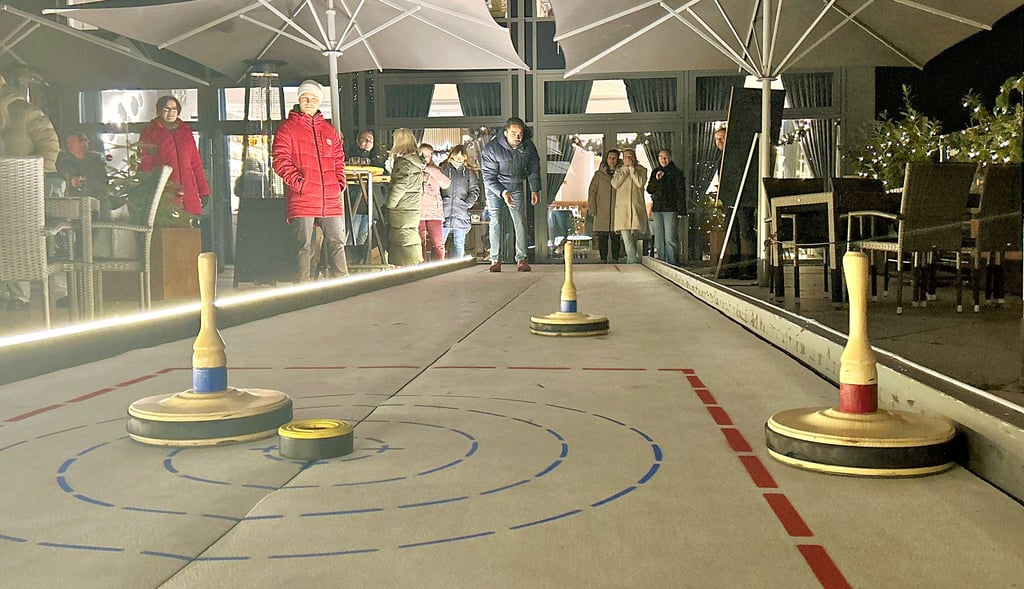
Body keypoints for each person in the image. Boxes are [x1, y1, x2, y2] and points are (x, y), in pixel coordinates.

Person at [0, 68, 67, 310]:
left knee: (43, 234)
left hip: (31, 188)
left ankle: (58, 291)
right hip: (6, 189)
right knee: (9, 239)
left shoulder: (25, 112)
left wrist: (38, 176)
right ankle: (17, 295)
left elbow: (49, 145)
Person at [271, 79, 348, 282]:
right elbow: (280, 161)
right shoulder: (287, 129)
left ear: (319, 101)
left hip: (330, 198)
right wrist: (300, 184)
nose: (309, 101)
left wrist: (339, 183)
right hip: (303, 198)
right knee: (302, 247)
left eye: (313, 98)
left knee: (337, 243)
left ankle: (345, 285)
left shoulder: (329, 130)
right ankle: (303, 290)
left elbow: (339, 159)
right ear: (299, 99)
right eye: (305, 97)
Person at [480, 117, 541, 272]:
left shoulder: (528, 146)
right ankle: (495, 259)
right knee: (496, 220)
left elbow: (534, 168)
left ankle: (521, 258)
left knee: (520, 220)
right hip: (496, 188)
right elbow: (488, 177)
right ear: (506, 133)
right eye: (513, 133)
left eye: (520, 134)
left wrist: (535, 188)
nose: (517, 137)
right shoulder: (491, 149)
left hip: (516, 186)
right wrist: (503, 192)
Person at [138, 94, 210, 222]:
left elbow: (196, 164)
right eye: (166, 109)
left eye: (174, 109)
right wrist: (146, 190)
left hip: (189, 192)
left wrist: (203, 191)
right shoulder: (150, 133)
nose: (171, 112)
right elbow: (146, 164)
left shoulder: (186, 132)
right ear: (159, 111)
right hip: (164, 192)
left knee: (190, 234)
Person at [384, 128, 426, 266]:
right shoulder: (416, 161)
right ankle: (413, 265)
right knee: (409, 236)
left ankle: (405, 268)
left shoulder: (403, 162)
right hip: (412, 206)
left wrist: (390, 204)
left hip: (401, 207)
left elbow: (400, 184)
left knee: (401, 238)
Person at [646, 149, 686, 265]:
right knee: (659, 240)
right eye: (660, 157)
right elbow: (650, 189)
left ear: (670, 157)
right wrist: (657, 180)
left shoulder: (676, 173)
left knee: (670, 239)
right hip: (658, 209)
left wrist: (681, 210)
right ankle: (662, 263)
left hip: (670, 208)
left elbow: (680, 192)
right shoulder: (656, 172)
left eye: (665, 157)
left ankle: (673, 264)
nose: (663, 160)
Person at [439, 144, 480, 258]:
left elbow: (474, 190)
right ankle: (438, 267)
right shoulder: (442, 169)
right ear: (451, 155)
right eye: (457, 156)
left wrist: (466, 204)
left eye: (461, 156)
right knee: (439, 243)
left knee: (459, 243)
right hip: (444, 211)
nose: (459, 159)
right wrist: (441, 202)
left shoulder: (469, 172)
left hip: (461, 212)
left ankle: (457, 267)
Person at [611, 148, 649, 264]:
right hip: (623, 210)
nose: (629, 158)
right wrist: (626, 170)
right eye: (626, 156)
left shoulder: (641, 170)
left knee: (634, 237)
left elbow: (640, 183)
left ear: (635, 157)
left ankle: (631, 259)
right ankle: (632, 261)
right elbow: (615, 184)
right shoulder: (619, 170)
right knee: (626, 238)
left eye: (630, 156)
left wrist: (632, 170)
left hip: (636, 208)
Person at [57, 132, 110, 206]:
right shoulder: (63, 162)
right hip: (71, 203)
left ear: (82, 143)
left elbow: (103, 182)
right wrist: (70, 182)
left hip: (95, 201)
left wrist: (85, 183)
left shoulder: (96, 161)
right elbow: (59, 180)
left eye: (72, 142)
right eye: (68, 143)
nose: (69, 145)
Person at [418, 143, 451, 261]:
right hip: (418, 211)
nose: (425, 157)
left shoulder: (436, 170)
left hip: (434, 211)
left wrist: (428, 169)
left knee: (438, 243)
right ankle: (420, 269)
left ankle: (438, 268)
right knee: (419, 243)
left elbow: (446, 183)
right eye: (423, 154)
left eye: (428, 155)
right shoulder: (414, 171)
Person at [587, 149, 621, 262]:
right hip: (602, 210)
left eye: (614, 157)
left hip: (617, 210)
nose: (612, 160)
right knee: (602, 237)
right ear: (606, 159)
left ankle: (616, 258)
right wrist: (592, 208)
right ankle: (603, 259)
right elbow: (592, 192)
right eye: (610, 157)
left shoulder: (621, 173)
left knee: (616, 237)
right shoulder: (599, 175)